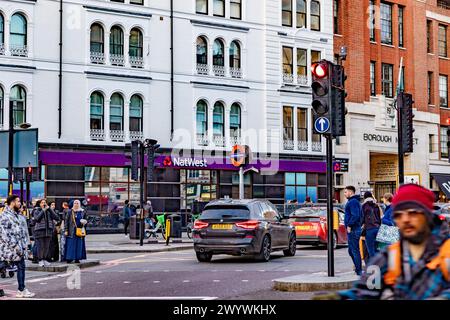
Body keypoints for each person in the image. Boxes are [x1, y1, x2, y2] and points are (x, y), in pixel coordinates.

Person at [315, 184, 450, 300]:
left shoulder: (447, 251)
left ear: (427, 214)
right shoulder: (390, 255)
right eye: (398, 215)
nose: (405, 220)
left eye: (412, 213)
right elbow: (367, 290)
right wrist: (340, 296)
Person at [0, 195, 35, 298]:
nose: (20, 204)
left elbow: (22, 232)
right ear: (12, 202)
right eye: (18, 201)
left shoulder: (17, 215)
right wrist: (15, 246)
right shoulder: (4, 216)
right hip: (8, 249)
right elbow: (5, 234)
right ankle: (21, 289)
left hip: (18, 248)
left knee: (21, 267)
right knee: (3, 266)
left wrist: (26, 246)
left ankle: (21, 289)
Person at [33, 199, 61, 267]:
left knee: (46, 247)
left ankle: (45, 259)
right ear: (39, 204)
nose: (44, 204)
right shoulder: (37, 211)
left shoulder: (49, 211)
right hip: (40, 230)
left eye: (45, 203)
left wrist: (50, 209)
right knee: (40, 246)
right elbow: (37, 219)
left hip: (48, 230)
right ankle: (40, 260)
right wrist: (43, 210)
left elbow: (56, 217)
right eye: (42, 203)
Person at [344, 186, 363, 276]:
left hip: (353, 229)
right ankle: (357, 268)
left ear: (351, 192)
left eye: (345, 192)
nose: (344, 194)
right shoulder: (354, 202)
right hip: (354, 229)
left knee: (354, 250)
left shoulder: (353, 202)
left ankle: (359, 270)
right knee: (351, 251)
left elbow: (355, 215)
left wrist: (350, 225)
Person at [362, 191, 382, 260]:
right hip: (378, 228)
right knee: (377, 249)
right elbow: (379, 218)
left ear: (365, 197)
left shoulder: (364, 206)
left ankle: (375, 267)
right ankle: (380, 266)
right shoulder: (376, 205)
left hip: (369, 229)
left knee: (371, 251)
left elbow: (362, 219)